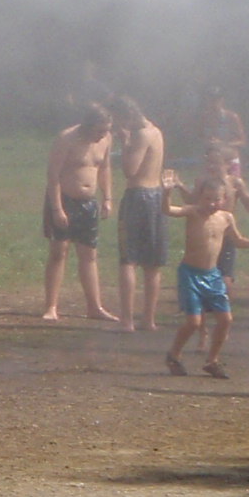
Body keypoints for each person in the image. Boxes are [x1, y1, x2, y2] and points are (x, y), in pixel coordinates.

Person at [163, 174, 249, 377]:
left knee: (226, 319)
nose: (211, 203)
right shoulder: (192, 212)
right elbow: (168, 210)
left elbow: (237, 240)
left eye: (216, 199)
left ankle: (212, 361)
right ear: (200, 197)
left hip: (213, 276)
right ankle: (173, 355)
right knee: (193, 322)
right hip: (190, 274)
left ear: (225, 199)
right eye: (207, 198)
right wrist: (166, 193)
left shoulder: (226, 218)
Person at [39, 107, 116, 323]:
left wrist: (107, 198)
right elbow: (53, 175)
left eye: (106, 130)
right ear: (88, 126)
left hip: (88, 203)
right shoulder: (66, 139)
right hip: (64, 199)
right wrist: (57, 208)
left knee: (89, 255)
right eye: (99, 130)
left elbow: (105, 168)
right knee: (59, 252)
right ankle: (51, 307)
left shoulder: (106, 139)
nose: (102, 134)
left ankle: (94, 306)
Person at [115, 98, 170, 331]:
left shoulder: (140, 135)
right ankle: (149, 319)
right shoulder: (156, 131)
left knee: (129, 259)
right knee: (152, 262)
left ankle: (127, 320)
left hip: (139, 196)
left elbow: (130, 170)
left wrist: (125, 143)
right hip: (156, 196)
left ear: (126, 116)